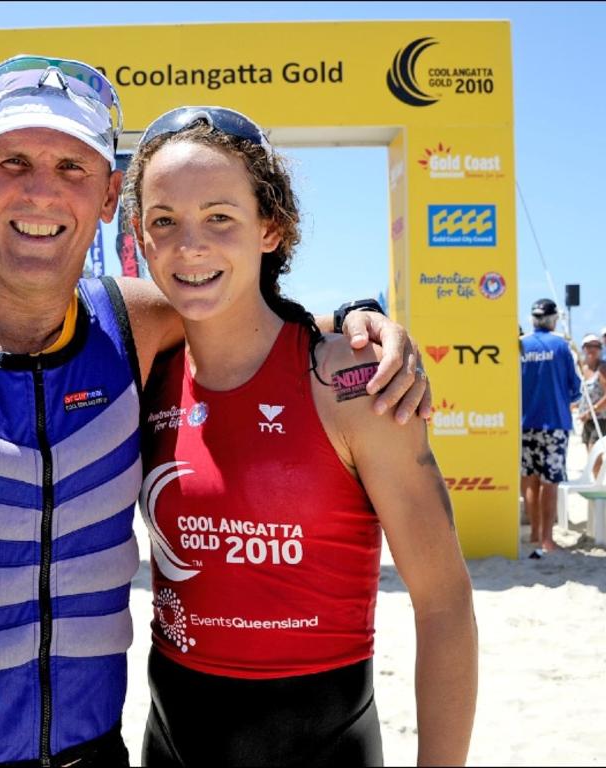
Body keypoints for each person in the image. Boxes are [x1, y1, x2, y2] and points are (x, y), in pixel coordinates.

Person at [0, 55, 429, 768]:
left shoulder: (135, 323)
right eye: (13, 161)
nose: (41, 193)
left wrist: (362, 323)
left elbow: (252, 312)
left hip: (96, 758)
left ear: (109, 193)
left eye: (72, 169)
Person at [109, 106, 474, 766]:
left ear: (270, 227)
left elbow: (444, 605)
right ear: (142, 235)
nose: (190, 242)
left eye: (220, 216)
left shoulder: (352, 384)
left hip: (324, 739)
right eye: (165, 220)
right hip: (172, 737)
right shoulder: (142, 366)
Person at [520, 298, 582, 555]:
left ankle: (535, 533)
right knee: (550, 483)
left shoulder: (521, 346)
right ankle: (547, 539)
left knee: (530, 481)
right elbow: (575, 389)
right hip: (554, 423)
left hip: (524, 422)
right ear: (554, 319)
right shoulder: (561, 346)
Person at [577, 332, 606, 474]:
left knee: (595, 457)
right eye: (588, 346)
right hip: (587, 420)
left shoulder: (603, 369)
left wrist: (591, 411)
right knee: (591, 457)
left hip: (600, 419)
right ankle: (597, 488)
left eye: (595, 346)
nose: (592, 349)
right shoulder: (583, 369)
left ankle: (599, 491)